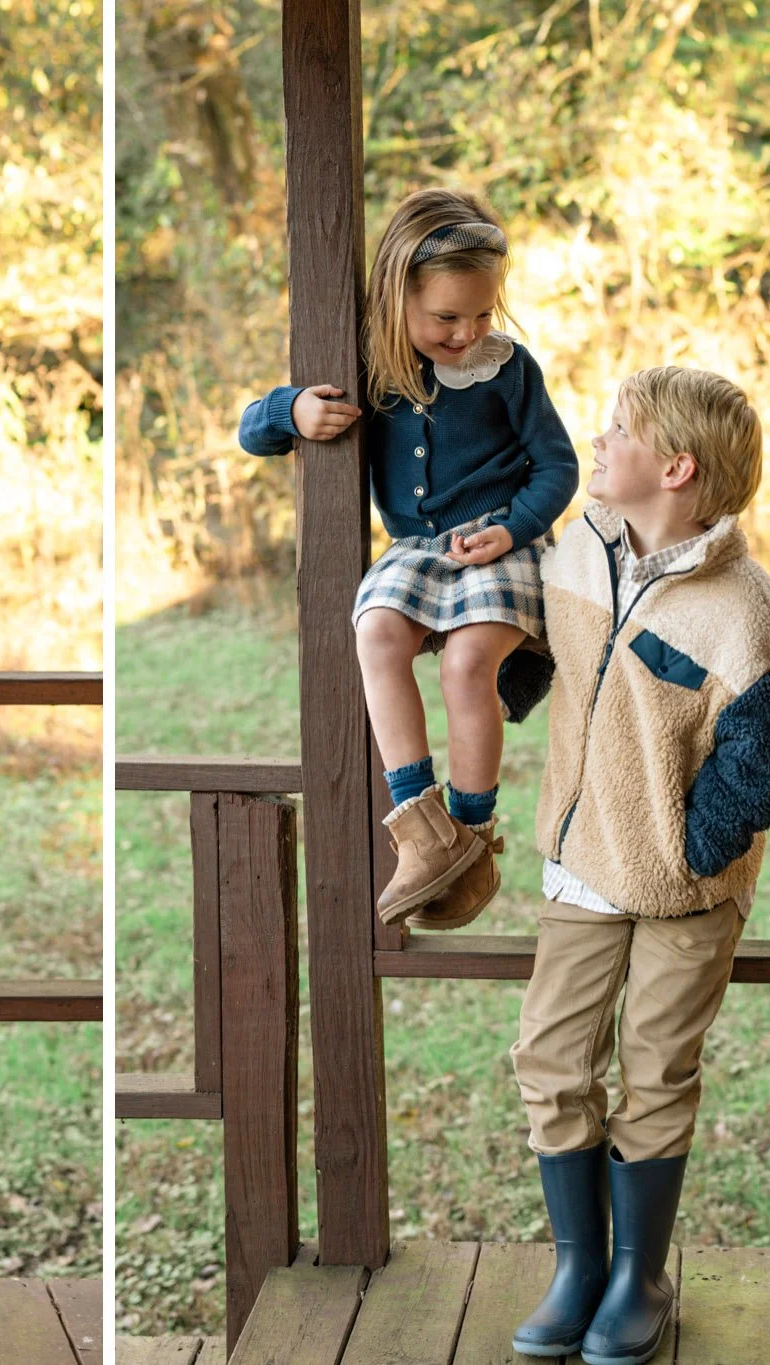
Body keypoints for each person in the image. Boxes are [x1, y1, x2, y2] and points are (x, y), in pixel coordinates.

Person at [509, 367, 770, 1364]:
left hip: (684, 888)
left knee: (654, 1067)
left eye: (617, 432)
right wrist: (505, 667)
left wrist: (696, 847)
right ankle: (576, 1268)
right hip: (581, 863)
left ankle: (638, 1275)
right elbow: (548, 649)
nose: (596, 444)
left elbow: (764, 746)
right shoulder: (576, 553)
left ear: (673, 468)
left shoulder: (738, 608)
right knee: (550, 1058)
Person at [238, 186, 577, 930]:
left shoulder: (507, 368)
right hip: (419, 549)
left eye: (482, 313)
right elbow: (251, 431)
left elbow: (558, 468)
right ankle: (422, 828)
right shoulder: (368, 363)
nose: (467, 333)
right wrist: (291, 410)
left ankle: (474, 829)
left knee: (465, 664)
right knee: (376, 632)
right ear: (399, 296)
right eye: (447, 317)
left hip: (503, 541)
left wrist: (513, 527)